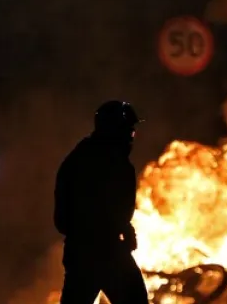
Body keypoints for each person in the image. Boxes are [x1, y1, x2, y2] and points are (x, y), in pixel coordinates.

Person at [54, 100, 149, 304]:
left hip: (91, 252)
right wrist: (113, 231)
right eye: (128, 131)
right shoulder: (94, 163)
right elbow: (93, 209)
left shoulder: (87, 158)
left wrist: (124, 228)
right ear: (113, 129)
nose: (131, 137)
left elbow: (115, 209)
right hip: (98, 252)